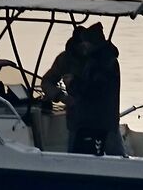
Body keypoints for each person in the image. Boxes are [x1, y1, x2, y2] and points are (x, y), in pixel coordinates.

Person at [41, 23, 122, 156]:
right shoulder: (65, 59)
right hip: (78, 119)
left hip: (104, 118)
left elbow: (92, 90)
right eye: (81, 45)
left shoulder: (103, 61)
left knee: (115, 152)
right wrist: (62, 97)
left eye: (86, 44)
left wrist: (72, 83)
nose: (84, 48)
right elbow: (47, 81)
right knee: (75, 154)